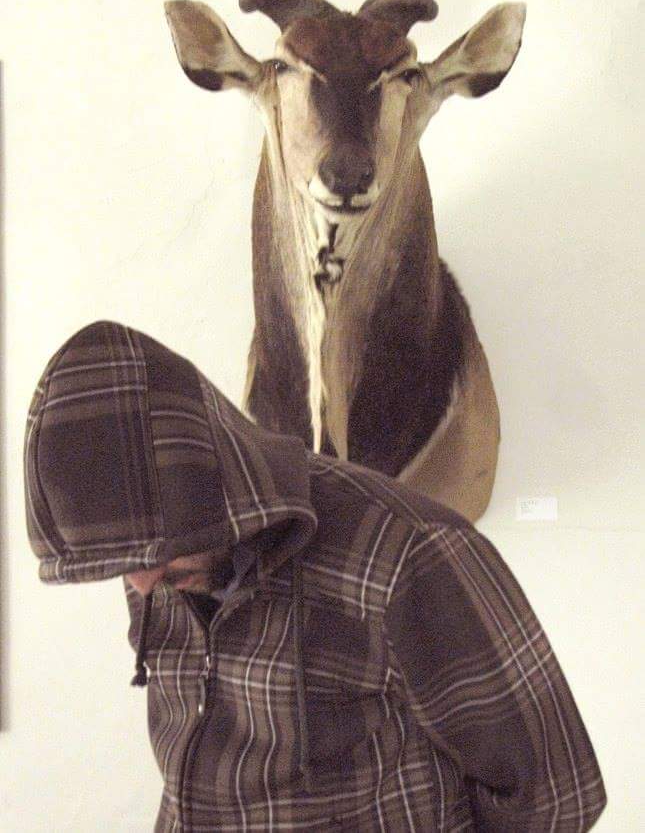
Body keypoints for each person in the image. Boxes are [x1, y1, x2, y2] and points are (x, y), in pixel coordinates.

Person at [24, 320, 607, 832]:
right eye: (123, 565)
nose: (141, 585)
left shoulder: (406, 552)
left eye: (158, 557)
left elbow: (555, 796)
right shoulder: (161, 559)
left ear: (214, 482)